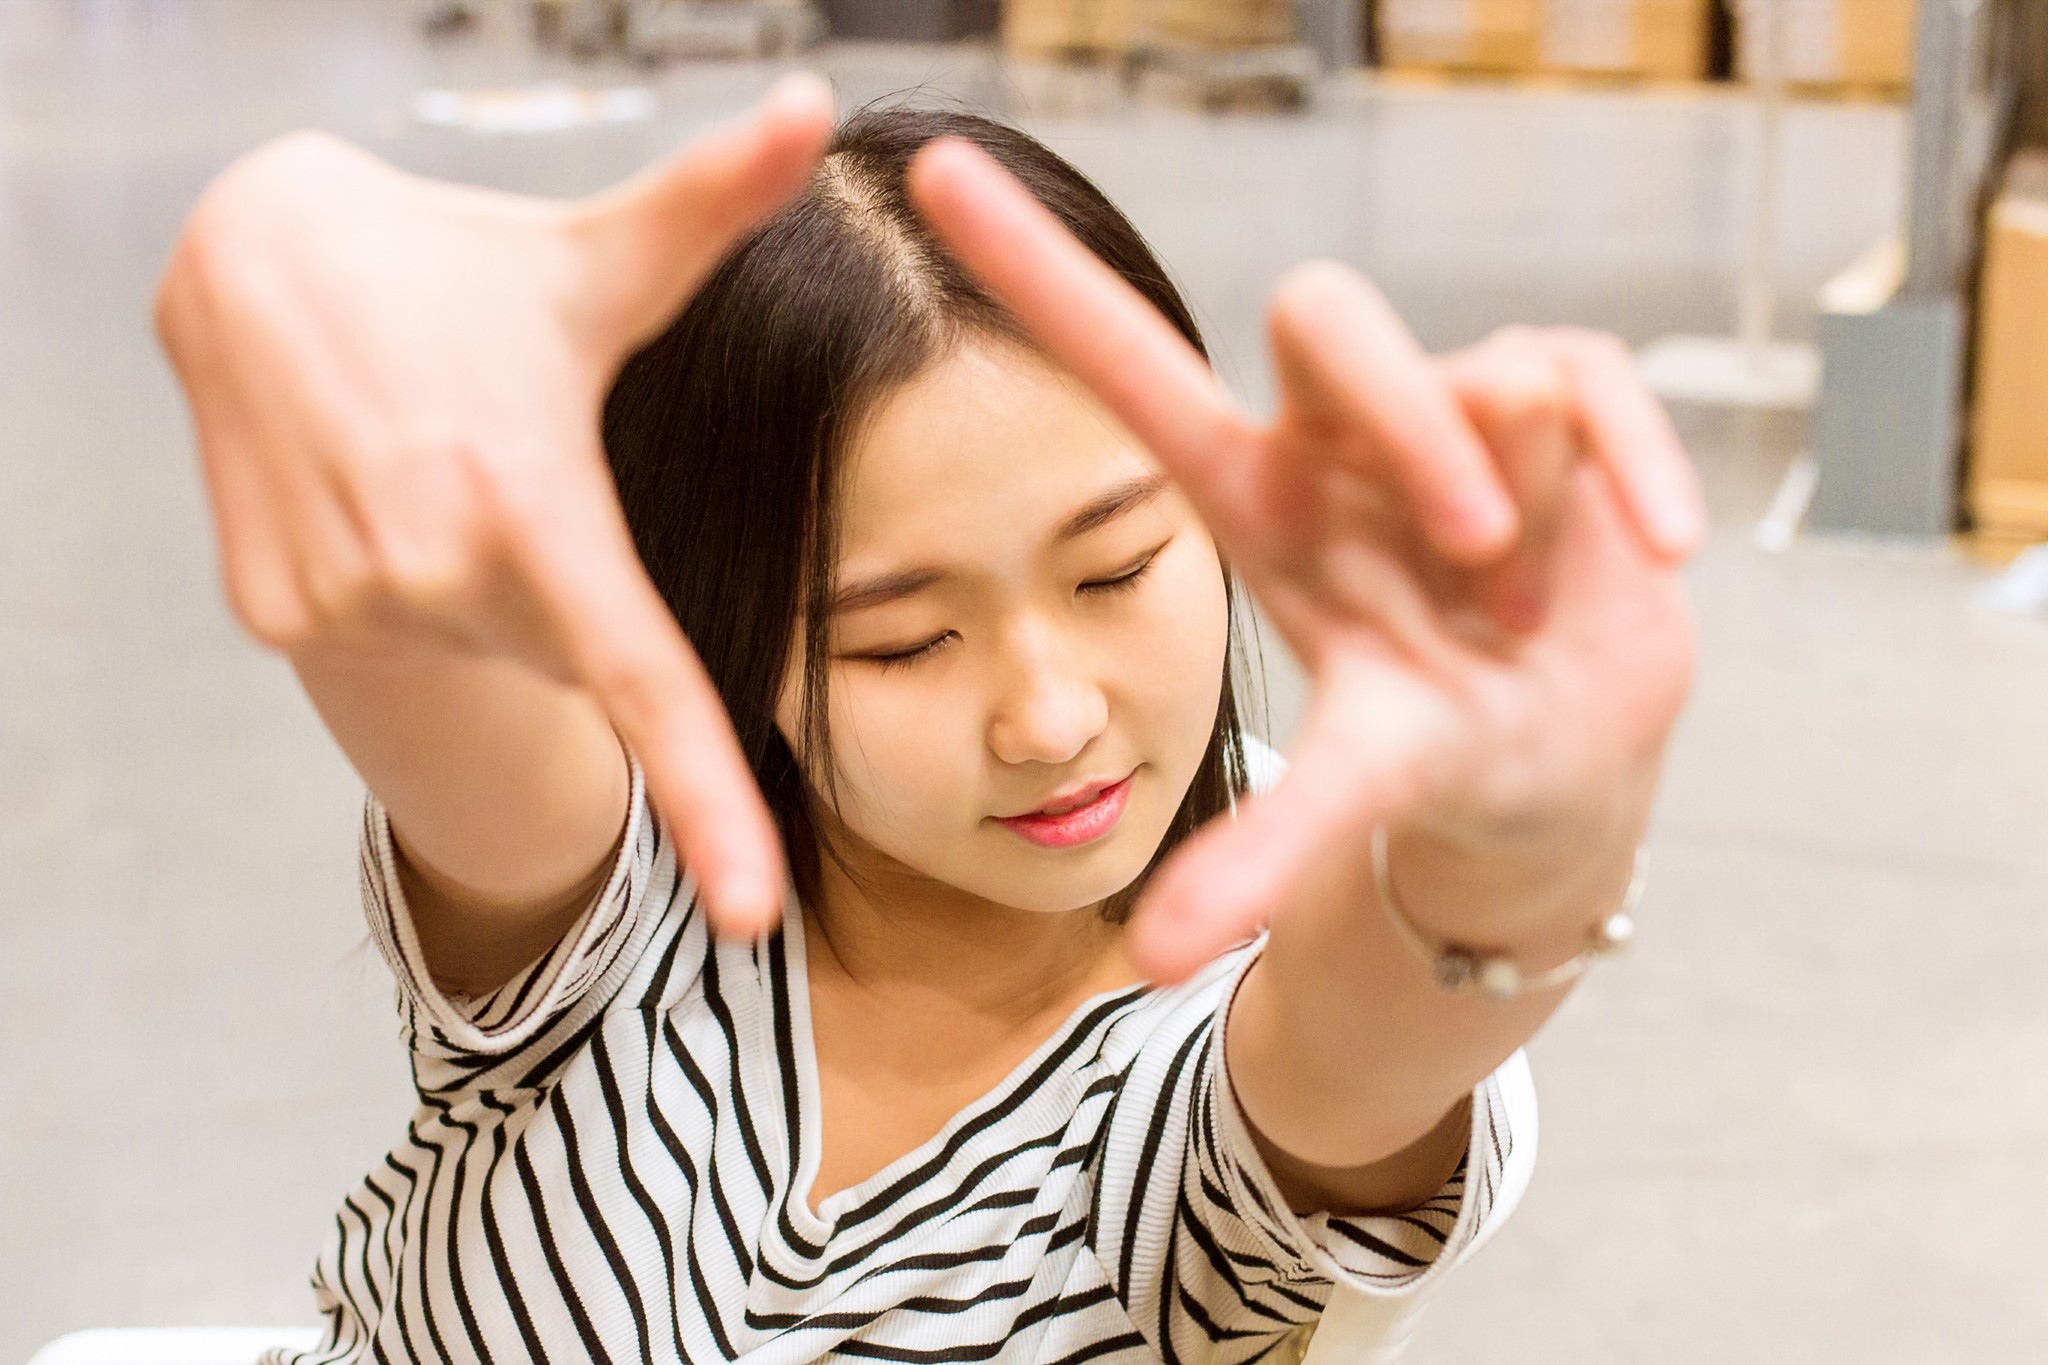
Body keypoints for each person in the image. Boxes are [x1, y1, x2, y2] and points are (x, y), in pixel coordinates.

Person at [154, 74, 1701, 1363]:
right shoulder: (636, 881)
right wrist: (303, 306)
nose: (1048, 715)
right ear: (735, 629)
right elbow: (433, 668)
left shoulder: (1230, 1012)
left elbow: (1362, 1064)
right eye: (900, 643)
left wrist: (1516, 849)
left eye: (1117, 568)